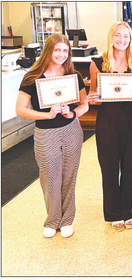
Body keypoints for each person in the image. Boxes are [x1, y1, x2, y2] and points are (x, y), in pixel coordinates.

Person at [16, 33, 89, 238]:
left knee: (69, 175)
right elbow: (20, 109)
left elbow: (85, 105)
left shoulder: (74, 77)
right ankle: (52, 220)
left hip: (71, 130)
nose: (61, 54)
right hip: (46, 133)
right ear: (49, 50)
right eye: (57, 50)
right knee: (50, 177)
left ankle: (67, 220)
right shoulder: (32, 77)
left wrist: (72, 113)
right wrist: (47, 114)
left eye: (65, 51)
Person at [88, 22, 132, 231]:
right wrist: (93, 97)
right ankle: (113, 212)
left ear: (131, 38)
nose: (122, 40)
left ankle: (129, 211)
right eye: (118, 35)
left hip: (131, 118)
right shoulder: (97, 62)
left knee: (130, 165)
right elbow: (93, 96)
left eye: (126, 36)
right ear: (111, 37)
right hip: (107, 119)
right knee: (109, 165)